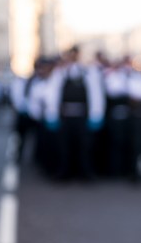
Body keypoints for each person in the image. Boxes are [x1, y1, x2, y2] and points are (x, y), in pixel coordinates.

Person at [45, 46, 105, 180]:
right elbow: (52, 95)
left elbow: (96, 95)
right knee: (64, 147)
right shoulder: (60, 73)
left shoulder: (89, 72)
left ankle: (86, 173)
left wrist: (96, 115)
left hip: (83, 116)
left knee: (85, 147)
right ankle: (64, 172)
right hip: (65, 117)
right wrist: (52, 115)